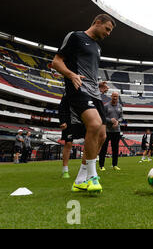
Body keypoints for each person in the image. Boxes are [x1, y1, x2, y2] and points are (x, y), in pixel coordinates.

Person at [51, 13, 115, 193]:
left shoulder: (97, 47)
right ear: (97, 22)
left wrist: (98, 83)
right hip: (77, 89)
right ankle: (92, 177)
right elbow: (56, 62)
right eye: (107, 29)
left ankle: (80, 178)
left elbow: (90, 69)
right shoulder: (76, 36)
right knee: (94, 125)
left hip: (94, 92)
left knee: (102, 136)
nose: (108, 34)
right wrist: (71, 75)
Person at [59, 93, 86, 178]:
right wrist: (62, 121)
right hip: (69, 123)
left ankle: (85, 169)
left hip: (82, 123)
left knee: (89, 143)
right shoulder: (67, 93)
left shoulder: (84, 92)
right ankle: (65, 170)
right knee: (68, 144)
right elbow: (61, 107)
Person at [99, 91, 123, 171]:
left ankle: (115, 165)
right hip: (107, 130)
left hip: (116, 131)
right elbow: (102, 117)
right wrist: (110, 120)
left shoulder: (120, 106)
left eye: (116, 96)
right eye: (114, 96)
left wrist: (117, 122)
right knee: (104, 148)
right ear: (111, 96)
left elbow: (121, 117)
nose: (115, 98)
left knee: (115, 149)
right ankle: (101, 166)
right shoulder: (106, 106)